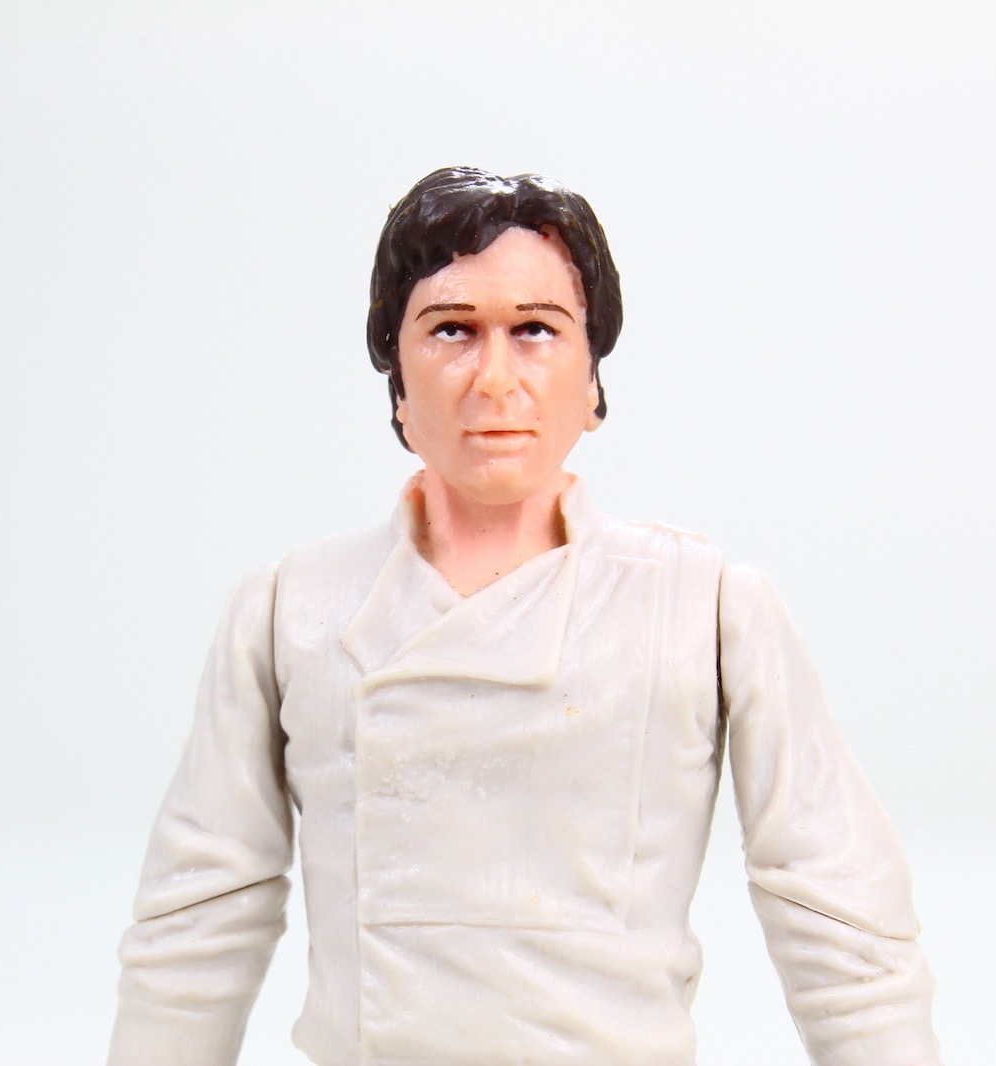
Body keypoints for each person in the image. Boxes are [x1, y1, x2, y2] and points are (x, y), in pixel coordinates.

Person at [108, 166, 942, 1065]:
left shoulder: (704, 608)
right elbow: (199, 920)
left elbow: (838, 915)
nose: (495, 379)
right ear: (397, 379)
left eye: (536, 330)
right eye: (452, 331)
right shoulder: (291, 611)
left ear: (593, 380)